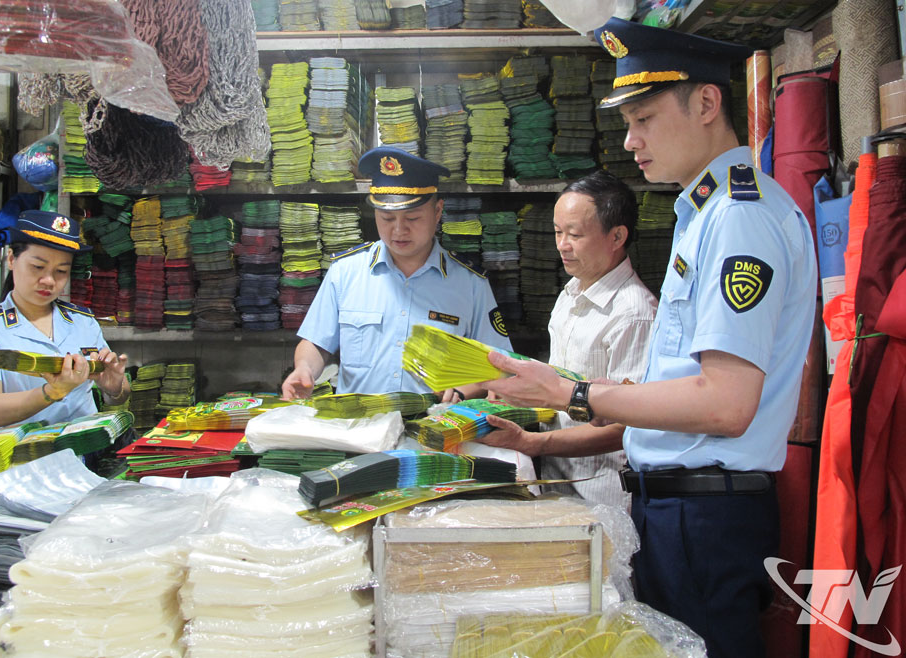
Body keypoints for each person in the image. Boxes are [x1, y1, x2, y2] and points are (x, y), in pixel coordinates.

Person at [478, 19, 817, 658]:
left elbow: (724, 403)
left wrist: (573, 392)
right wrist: (548, 385)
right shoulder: (707, 214)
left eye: (645, 118)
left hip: (706, 515)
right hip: (679, 510)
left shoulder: (740, 220)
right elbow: (670, 386)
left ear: (708, 104)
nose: (630, 141)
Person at [476, 170, 656, 508]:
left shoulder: (634, 313)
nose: (562, 245)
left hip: (603, 493)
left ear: (617, 236)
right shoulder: (572, 292)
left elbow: (627, 426)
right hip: (561, 481)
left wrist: (533, 443)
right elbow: (561, 383)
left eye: (575, 234)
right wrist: (516, 393)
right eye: (558, 232)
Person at [281, 146, 512, 400]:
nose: (399, 230)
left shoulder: (469, 284)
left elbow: (499, 365)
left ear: (437, 212)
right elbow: (317, 342)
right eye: (387, 218)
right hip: (357, 428)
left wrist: (462, 390)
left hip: (435, 428)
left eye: (412, 218)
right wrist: (304, 369)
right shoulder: (345, 273)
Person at [0, 210, 131, 429]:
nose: (49, 280)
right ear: (11, 259)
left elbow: (119, 394)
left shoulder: (83, 322)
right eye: (38, 267)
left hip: (86, 454)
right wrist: (52, 392)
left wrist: (114, 387)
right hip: (25, 457)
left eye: (61, 271)